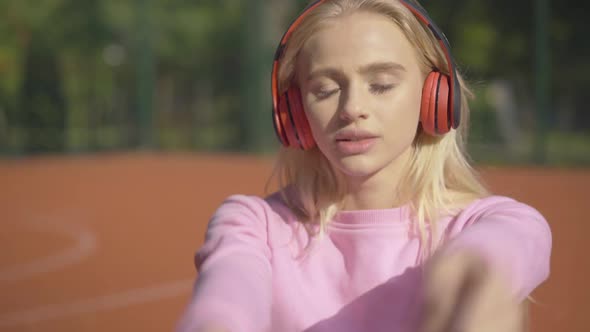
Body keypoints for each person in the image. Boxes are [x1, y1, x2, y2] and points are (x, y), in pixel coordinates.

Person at [176, 0, 552, 331]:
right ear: (295, 113)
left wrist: (472, 276)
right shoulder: (252, 224)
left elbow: (496, 254)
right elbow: (227, 298)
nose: (352, 107)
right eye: (325, 90)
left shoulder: (495, 222)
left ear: (434, 96)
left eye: (382, 84)